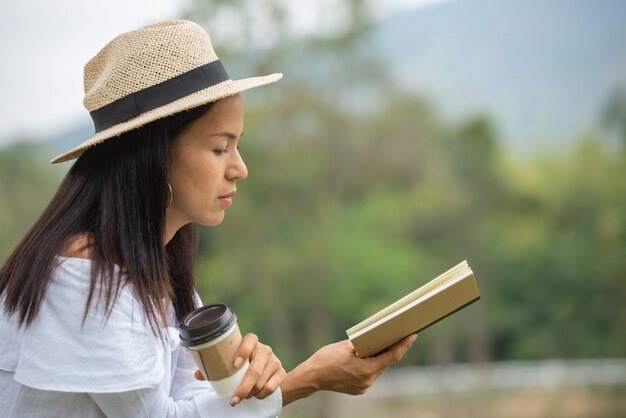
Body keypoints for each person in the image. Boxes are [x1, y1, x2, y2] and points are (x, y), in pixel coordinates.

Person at [0, 20, 416, 417]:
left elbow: (195, 400)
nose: (239, 168)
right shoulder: (85, 276)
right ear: (154, 156)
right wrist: (307, 379)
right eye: (220, 148)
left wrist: (249, 378)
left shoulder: (160, 273)